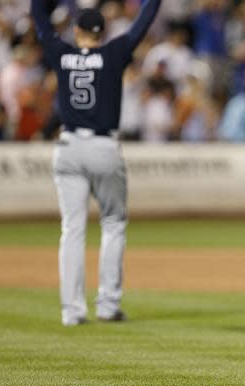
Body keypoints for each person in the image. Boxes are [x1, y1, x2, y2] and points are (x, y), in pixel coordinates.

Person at [31, 0, 161, 326]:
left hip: (69, 145)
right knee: (113, 223)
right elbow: (142, 23)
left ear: (76, 31)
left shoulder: (61, 53)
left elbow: (40, 22)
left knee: (72, 229)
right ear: (101, 34)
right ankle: (107, 305)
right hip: (104, 146)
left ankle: (72, 312)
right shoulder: (113, 53)